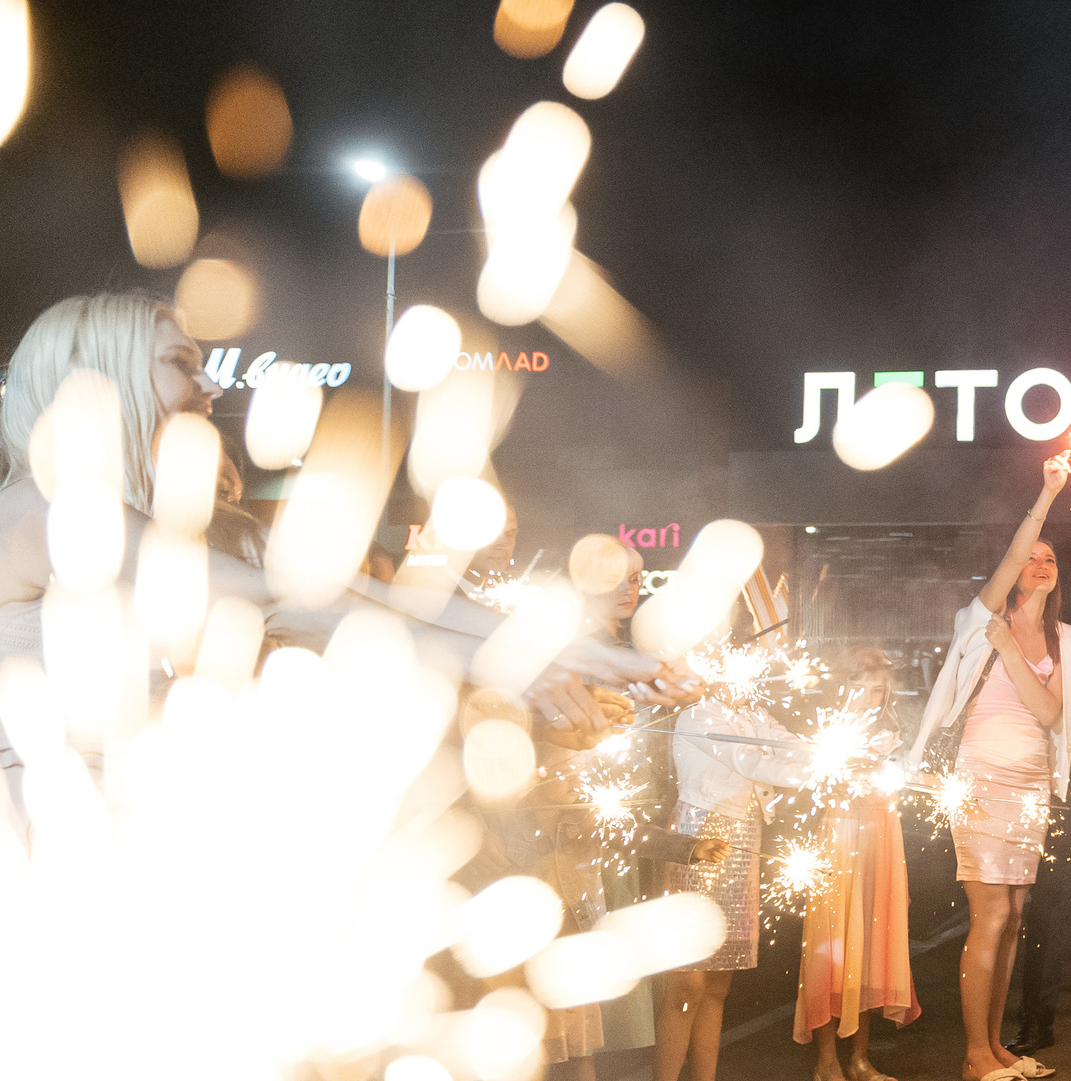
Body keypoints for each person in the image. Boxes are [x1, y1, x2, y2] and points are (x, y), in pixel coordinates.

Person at [0, 292, 688, 792]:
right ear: (100, 380)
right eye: (182, 362)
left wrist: (574, 652)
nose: (211, 385)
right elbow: (265, 604)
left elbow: (365, 595)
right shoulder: (39, 508)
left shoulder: (221, 531)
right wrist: (512, 665)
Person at [908, 455, 1071, 1081]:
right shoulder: (980, 621)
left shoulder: (1065, 640)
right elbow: (1015, 552)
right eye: (1032, 558)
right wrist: (1046, 495)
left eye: (1051, 560)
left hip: (1031, 788)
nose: (1041, 565)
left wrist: (1017, 652)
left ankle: (994, 1045)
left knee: (1014, 915)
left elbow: (1049, 711)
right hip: (983, 782)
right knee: (989, 916)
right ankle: (972, 1055)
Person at [654, 671, 813, 1081]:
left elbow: (790, 744)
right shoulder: (700, 714)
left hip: (743, 844)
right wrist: (825, 766)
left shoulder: (754, 715)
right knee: (687, 980)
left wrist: (835, 753)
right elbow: (753, 762)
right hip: (698, 837)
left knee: (719, 980)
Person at [799, 649, 920, 1081]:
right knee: (835, 948)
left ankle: (860, 1059)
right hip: (841, 835)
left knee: (871, 944)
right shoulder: (826, 733)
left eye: (879, 691)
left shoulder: (889, 733)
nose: (872, 700)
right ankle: (825, 1066)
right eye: (863, 688)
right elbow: (811, 786)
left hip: (883, 837)